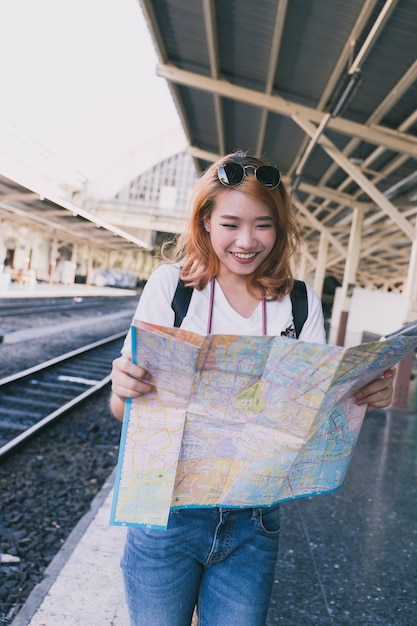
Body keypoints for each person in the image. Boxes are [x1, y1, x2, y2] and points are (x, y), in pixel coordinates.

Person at [110, 151, 395, 626]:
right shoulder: (173, 289)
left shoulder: (298, 304)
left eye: (263, 225)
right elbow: (124, 411)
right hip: (165, 517)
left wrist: (359, 396)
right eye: (230, 224)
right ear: (204, 220)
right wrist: (123, 389)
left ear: (280, 229)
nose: (247, 241)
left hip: (253, 520)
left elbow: (306, 422)